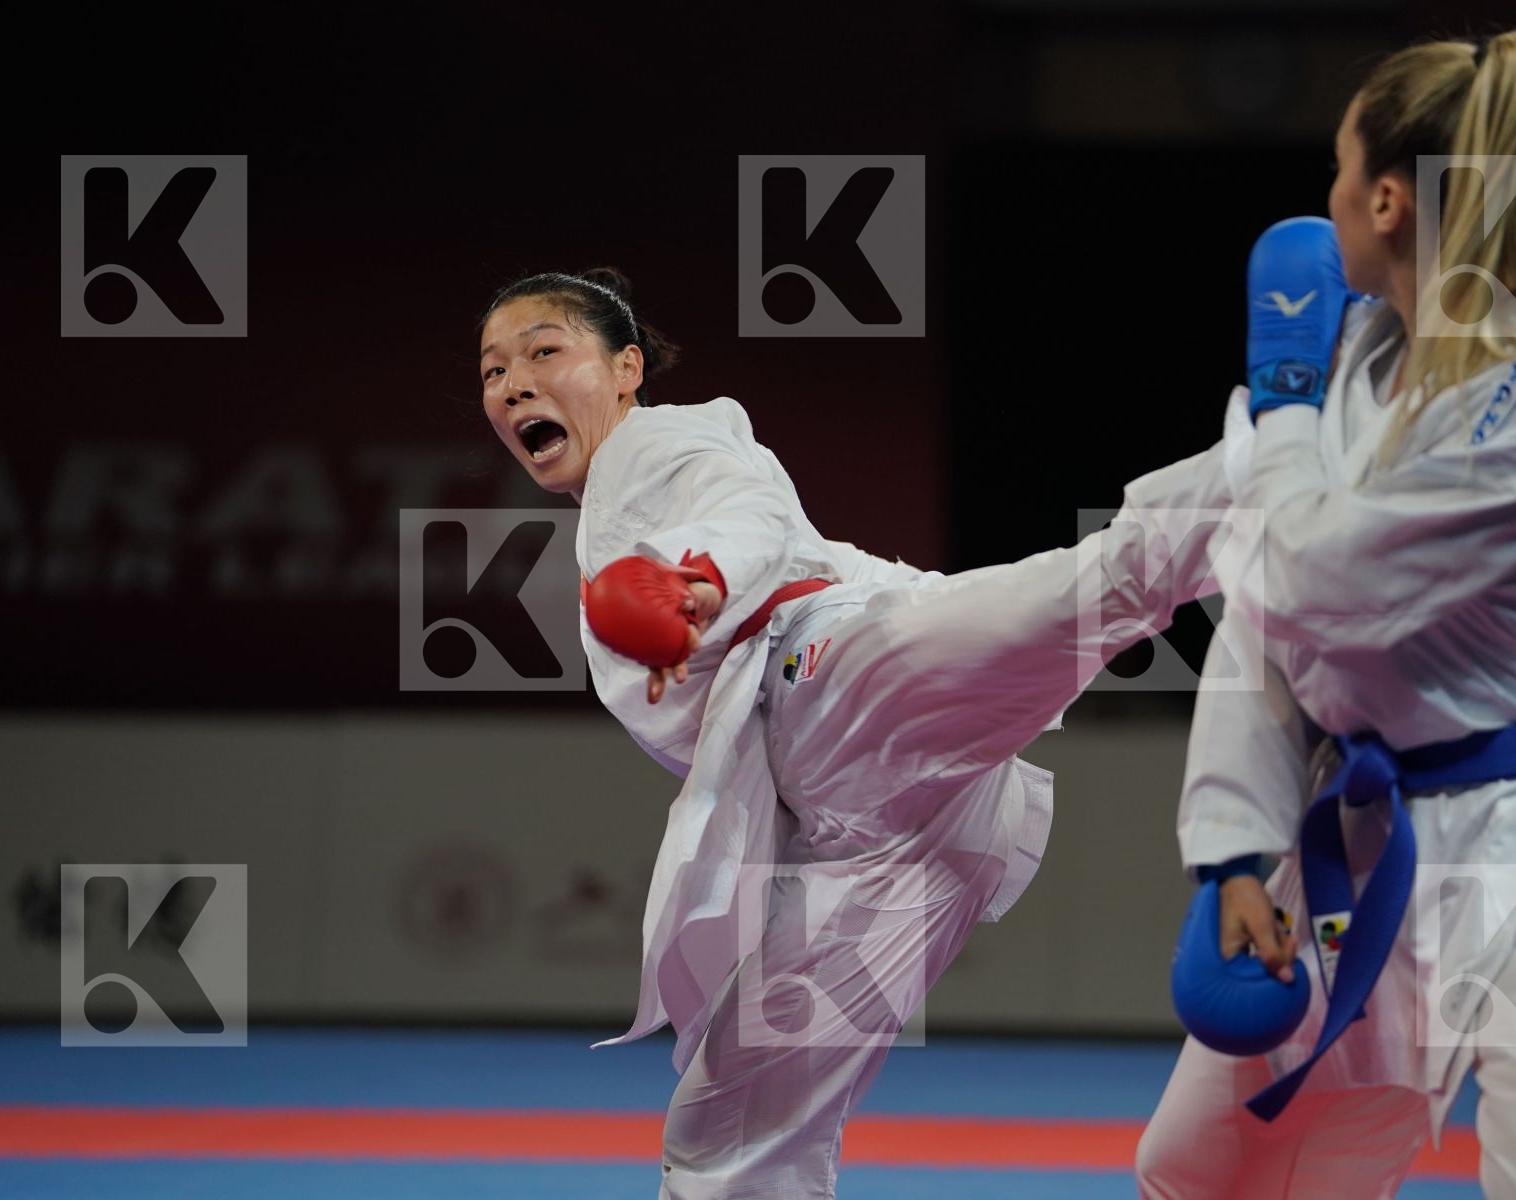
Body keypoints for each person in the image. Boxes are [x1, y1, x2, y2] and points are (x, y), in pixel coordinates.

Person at [477, 267, 1237, 1197]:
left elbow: (743, 510)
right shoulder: (611, 514)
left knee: (1102, 584)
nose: (512, 382)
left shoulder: (672, 440)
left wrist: (698, 577)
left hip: (837, 684)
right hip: (870, 840)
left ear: (627, 367)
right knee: (731, 1136)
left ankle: (1272, 458)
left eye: (544, 351)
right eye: (491, 371)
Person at [1135, 29, 1516, 1199]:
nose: (1328, 198)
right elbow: (1264, 616)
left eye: (1340, 169)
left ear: (1386, 198)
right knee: (1203, 1175)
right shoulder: (1361, 363)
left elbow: (1310, 584)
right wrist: (1236, 850)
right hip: (1369, 837)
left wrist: (1276, 414)